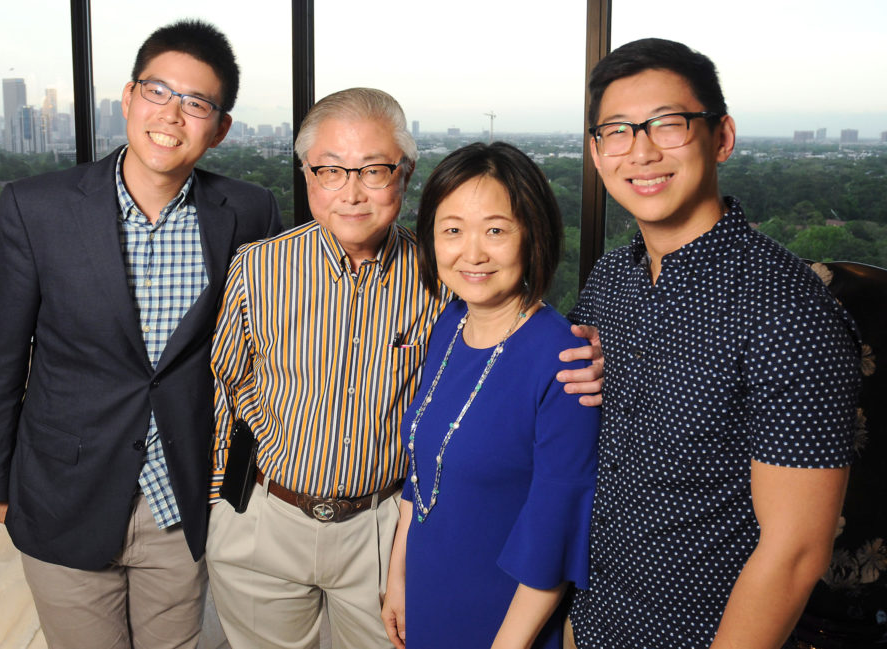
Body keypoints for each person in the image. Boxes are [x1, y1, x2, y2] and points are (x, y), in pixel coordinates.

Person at [206, 88, 602, 649]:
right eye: (329, 170)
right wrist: (225, 508)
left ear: (405, 172)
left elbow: (514, 345)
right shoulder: (258, 266)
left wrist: (593, 357)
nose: (351, 191)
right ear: (306, 174)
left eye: (373, 170)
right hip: (266, 521)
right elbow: (226, 384)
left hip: (381, 526)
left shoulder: (442, 278)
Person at [0, 20, 281, 649]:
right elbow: (1, 355)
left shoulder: (249, 211)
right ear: (128, 98)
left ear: (219, 128)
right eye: (157, 91)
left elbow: (287, 329)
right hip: (65, 491)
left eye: (196, 103)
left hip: (183, 495)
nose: (172, 114)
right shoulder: (37, 206)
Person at [566, 38, 862, 649]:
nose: (641, 151)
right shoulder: (609, 281)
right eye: (617, 131)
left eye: (668, 125)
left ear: (721, 136)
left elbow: (796, 552)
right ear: (597, 154)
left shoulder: (789, 311)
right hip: (586, 619)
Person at [380, 142, 599, 649]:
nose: (471, 253)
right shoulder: (449, 325)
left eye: (496, 230)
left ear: (533, 235)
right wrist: (399, 579)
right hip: (430, 591)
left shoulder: (563, 359)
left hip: (503, 617)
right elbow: (423, 472)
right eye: (452, 230)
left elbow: (554, 531)